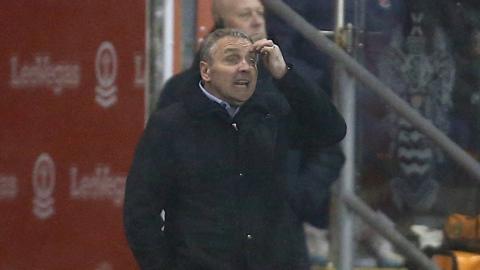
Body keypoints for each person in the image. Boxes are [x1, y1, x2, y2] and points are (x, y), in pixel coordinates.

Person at [124, 28, 346, 269]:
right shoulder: (172, 124)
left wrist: (286, 76)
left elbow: (331, 130)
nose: (245, 67)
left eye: (251, 60)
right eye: (232, 59)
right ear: (206, 71)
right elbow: (141, 211)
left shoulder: (271, 112)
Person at [157, 0, 345, 231]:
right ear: (221, 23)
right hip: (204, 238)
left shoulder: (291, 84)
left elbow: (331, 142)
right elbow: (157, 170)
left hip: (278, 239)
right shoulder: (182, 90)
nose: (257, 21)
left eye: (260, 13)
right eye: (246, 14)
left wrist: (296, 199)